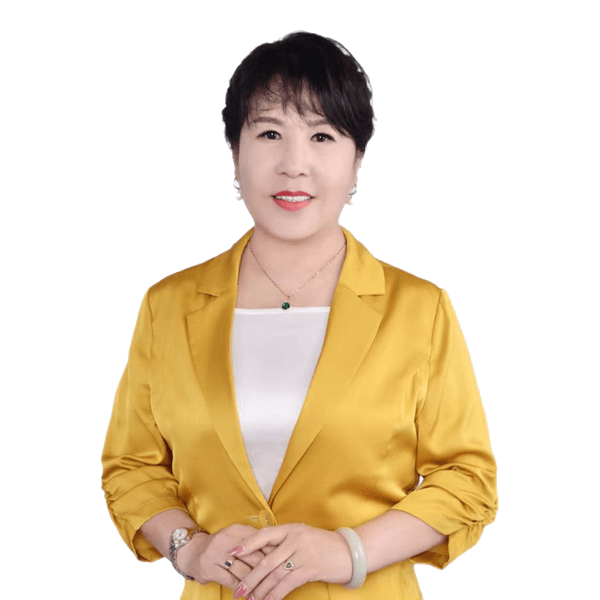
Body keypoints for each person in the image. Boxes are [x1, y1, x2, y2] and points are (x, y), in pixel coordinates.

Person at [101, 30, 498, 600]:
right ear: (235, 153)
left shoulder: (420, 309)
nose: (294, 165)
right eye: (269, 133)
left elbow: (467, 479)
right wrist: (190, 548)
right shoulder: (169, 306)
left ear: (357, 160)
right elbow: (131, 467)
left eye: (321, 135)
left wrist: (347, 551)